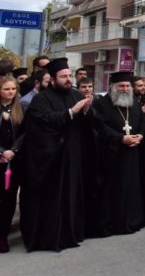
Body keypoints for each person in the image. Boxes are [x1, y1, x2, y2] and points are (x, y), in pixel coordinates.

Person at [20, 58, 95, 251]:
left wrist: (86, 112)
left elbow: (86, 127)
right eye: (63, 77)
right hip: (52, 159)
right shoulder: (41, 99)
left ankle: (71, 232)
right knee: (53, 199)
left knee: (72, 195)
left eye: (70, 76)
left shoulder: (76, 95)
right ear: (53, 80)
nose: (68, 79)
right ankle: (50, 237)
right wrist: (70, 112)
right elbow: (42, 122)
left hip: (73, 156)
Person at [91, 71, 145, 236]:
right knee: (113, 190)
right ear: (113, 87)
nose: (124, 88)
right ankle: (111, 223)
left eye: (127, 85)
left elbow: (144, 122)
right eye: (121, 86)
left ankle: (131, 220)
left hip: (132, 154)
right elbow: (100, 127)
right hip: (111, 155)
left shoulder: (134, 102)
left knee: (130, 188)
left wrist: (141, 135)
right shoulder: (101, 104)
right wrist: (121, 139)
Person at [0, 76, 24, 252]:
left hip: (14, 162)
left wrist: (13, 151)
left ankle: (2, 237)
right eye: (7, 89)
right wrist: (1, 152)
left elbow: (25, 133)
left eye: (13, 89)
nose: (10, 92)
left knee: (8, 201)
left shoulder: (20, 107)